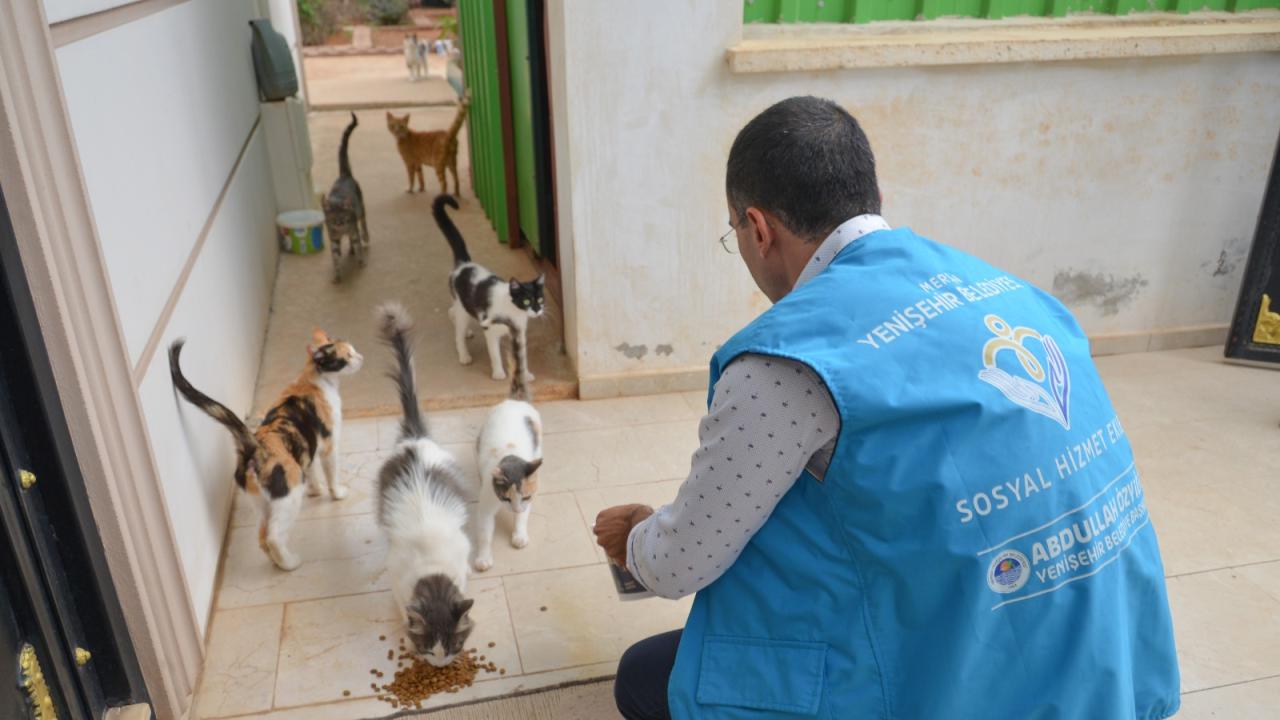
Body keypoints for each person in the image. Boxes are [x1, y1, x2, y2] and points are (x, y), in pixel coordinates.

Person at [592, 96, 1181, 720]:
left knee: (645, 676)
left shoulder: (784, 362)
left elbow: (681, 563)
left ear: (757, 228)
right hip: (1108, 668)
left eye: (733, 233)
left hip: (970, 678)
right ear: (871, 192)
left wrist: (636, 534)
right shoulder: (1008, 291)